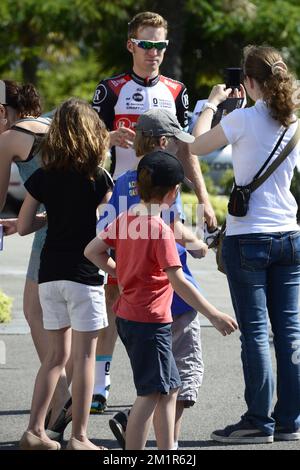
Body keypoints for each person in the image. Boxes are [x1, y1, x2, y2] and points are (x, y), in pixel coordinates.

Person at [90, 10, 216, 413]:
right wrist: (110, 137)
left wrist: (205, 196)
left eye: (161, 45)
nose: (154, 52)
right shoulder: (110, 89)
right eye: (146, 44)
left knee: (165, 282)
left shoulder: (177, 90)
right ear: (131, 45)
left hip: (165, 198)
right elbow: (85, 147)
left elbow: (185, 149)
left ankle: (163, 381)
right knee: (116, 290)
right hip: (120, 197)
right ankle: (100, 381)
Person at [84, 150, 238, 450]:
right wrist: (214, 315)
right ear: (174, 191)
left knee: (170, 389)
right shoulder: (161, 230)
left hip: (131, 317)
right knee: (149, 395)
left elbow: (92, 251)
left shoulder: (127, 218)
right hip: (149, 322)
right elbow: (178, 281)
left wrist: (121, 272)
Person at [189, 45, 300, 444]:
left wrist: (211, 104)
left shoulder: (241, 118)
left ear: (249, 83)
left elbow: (196, 145)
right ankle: (290, 421)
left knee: (255, 333)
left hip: (248, 237)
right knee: (289, 333)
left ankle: (258, 421)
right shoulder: (293, 121)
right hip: (290, 235)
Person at [98, 109, 207, 449]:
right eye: (175, 142)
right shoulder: (165, 180)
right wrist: (198, 243)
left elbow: (105, 238)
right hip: (172, 298)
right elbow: (171, 227)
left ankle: (155, 439)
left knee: (163, 380)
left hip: (134, 299)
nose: (178, 148)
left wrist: (122, 273)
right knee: (183, 376)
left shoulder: (123, 184)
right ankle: (161, 441)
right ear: (163, 141)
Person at [17, 98, 113, 450]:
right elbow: (108, 227)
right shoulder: (99, 177)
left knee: (55, 357)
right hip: (84, 275)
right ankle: (80, 437)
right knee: (84, 358)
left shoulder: (43, 176)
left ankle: (34, 430)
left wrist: (51, 218)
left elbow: (26, 225)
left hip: (49, 273)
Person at [0, 79, 71, 431]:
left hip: (49, 239)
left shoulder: (11, 136)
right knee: (65, 321)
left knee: (33, 312)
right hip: (79, 230)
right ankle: (70, 405)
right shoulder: (53, 126)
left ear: (3, 111)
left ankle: (61, 396)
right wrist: (30, 219)